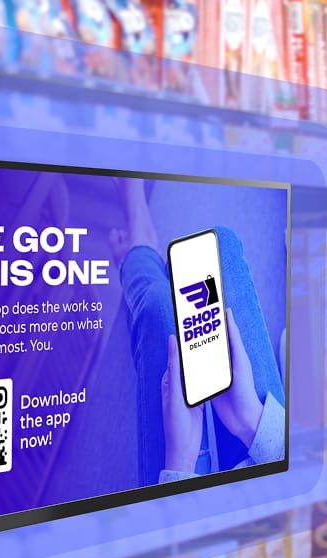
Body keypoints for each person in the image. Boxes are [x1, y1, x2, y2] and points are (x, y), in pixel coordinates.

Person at [109, 177, 285, 486]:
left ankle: (137, 248)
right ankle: (138, 253)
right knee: (221, 246)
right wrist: (250, 420)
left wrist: (180, 460)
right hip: (271, 461)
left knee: (158, 306)